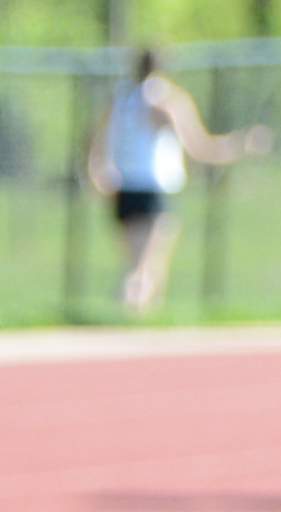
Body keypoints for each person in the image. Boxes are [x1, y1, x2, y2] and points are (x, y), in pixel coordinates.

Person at [88, 48, 271, 315]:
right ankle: (126, 314)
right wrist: (242, 144)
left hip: (122, 188)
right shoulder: (164, 101)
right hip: (151, 189)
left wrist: (96, 171)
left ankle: (140, 317)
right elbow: (199, 146)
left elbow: (94, 141)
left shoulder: (119, 97)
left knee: (142, 261)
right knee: (144, 266)